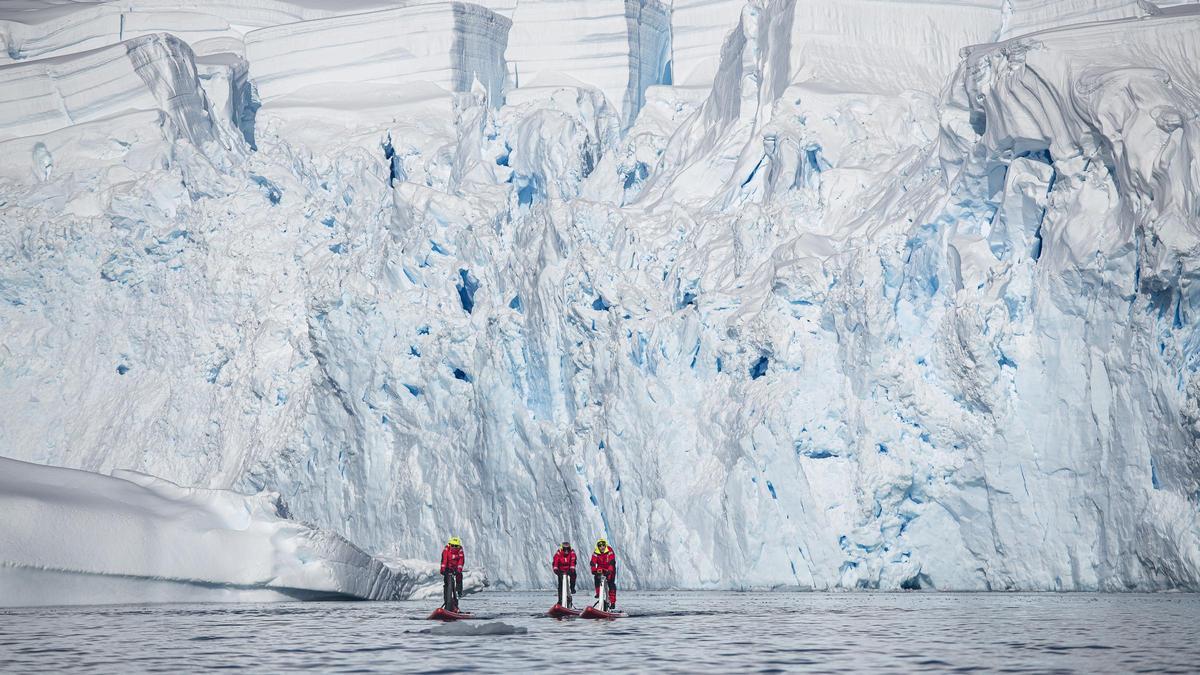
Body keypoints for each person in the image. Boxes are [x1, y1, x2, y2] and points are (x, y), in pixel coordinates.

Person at [590, 537, 617, 609]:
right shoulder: (596, 552)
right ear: (598, 546)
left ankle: (612, 602)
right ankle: (598, 593)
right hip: (601, 569)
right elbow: (592, 562)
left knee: (611, 584)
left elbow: (612, 561)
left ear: (605, 545)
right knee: (596, 578)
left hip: (610, 569)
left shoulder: (609, 550)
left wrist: (610, 570)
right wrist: (593, 570)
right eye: (600, 545)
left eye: (603, 545)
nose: (602, 547)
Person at [440, 536, 465, 610]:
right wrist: (443, 570)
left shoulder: (460, 552)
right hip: (448, 567)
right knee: (447, 584)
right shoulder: (446, 551)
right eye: (452, 545)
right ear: (450, 545)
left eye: (456, 546)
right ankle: (447, 602)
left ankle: (458, 591)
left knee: (459, 576)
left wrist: (458, 570)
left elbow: (461, 561)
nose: (454, 547)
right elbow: (444, 560)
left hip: (455, 568)